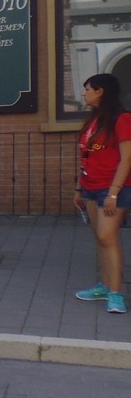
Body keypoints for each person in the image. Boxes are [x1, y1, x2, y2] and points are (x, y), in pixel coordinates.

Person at [74, 73, 131, 314]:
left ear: (100, 91)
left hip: (111, 188)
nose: (84, 93)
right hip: (90, 186)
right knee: (100, 238)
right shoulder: (93, 120)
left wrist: (114, 193)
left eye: (88, 88)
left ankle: (116, 294)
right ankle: (105, 286)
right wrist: (79, 188)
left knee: (108, 237)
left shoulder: (122, 119)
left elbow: (127, 158)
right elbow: (87, 156)